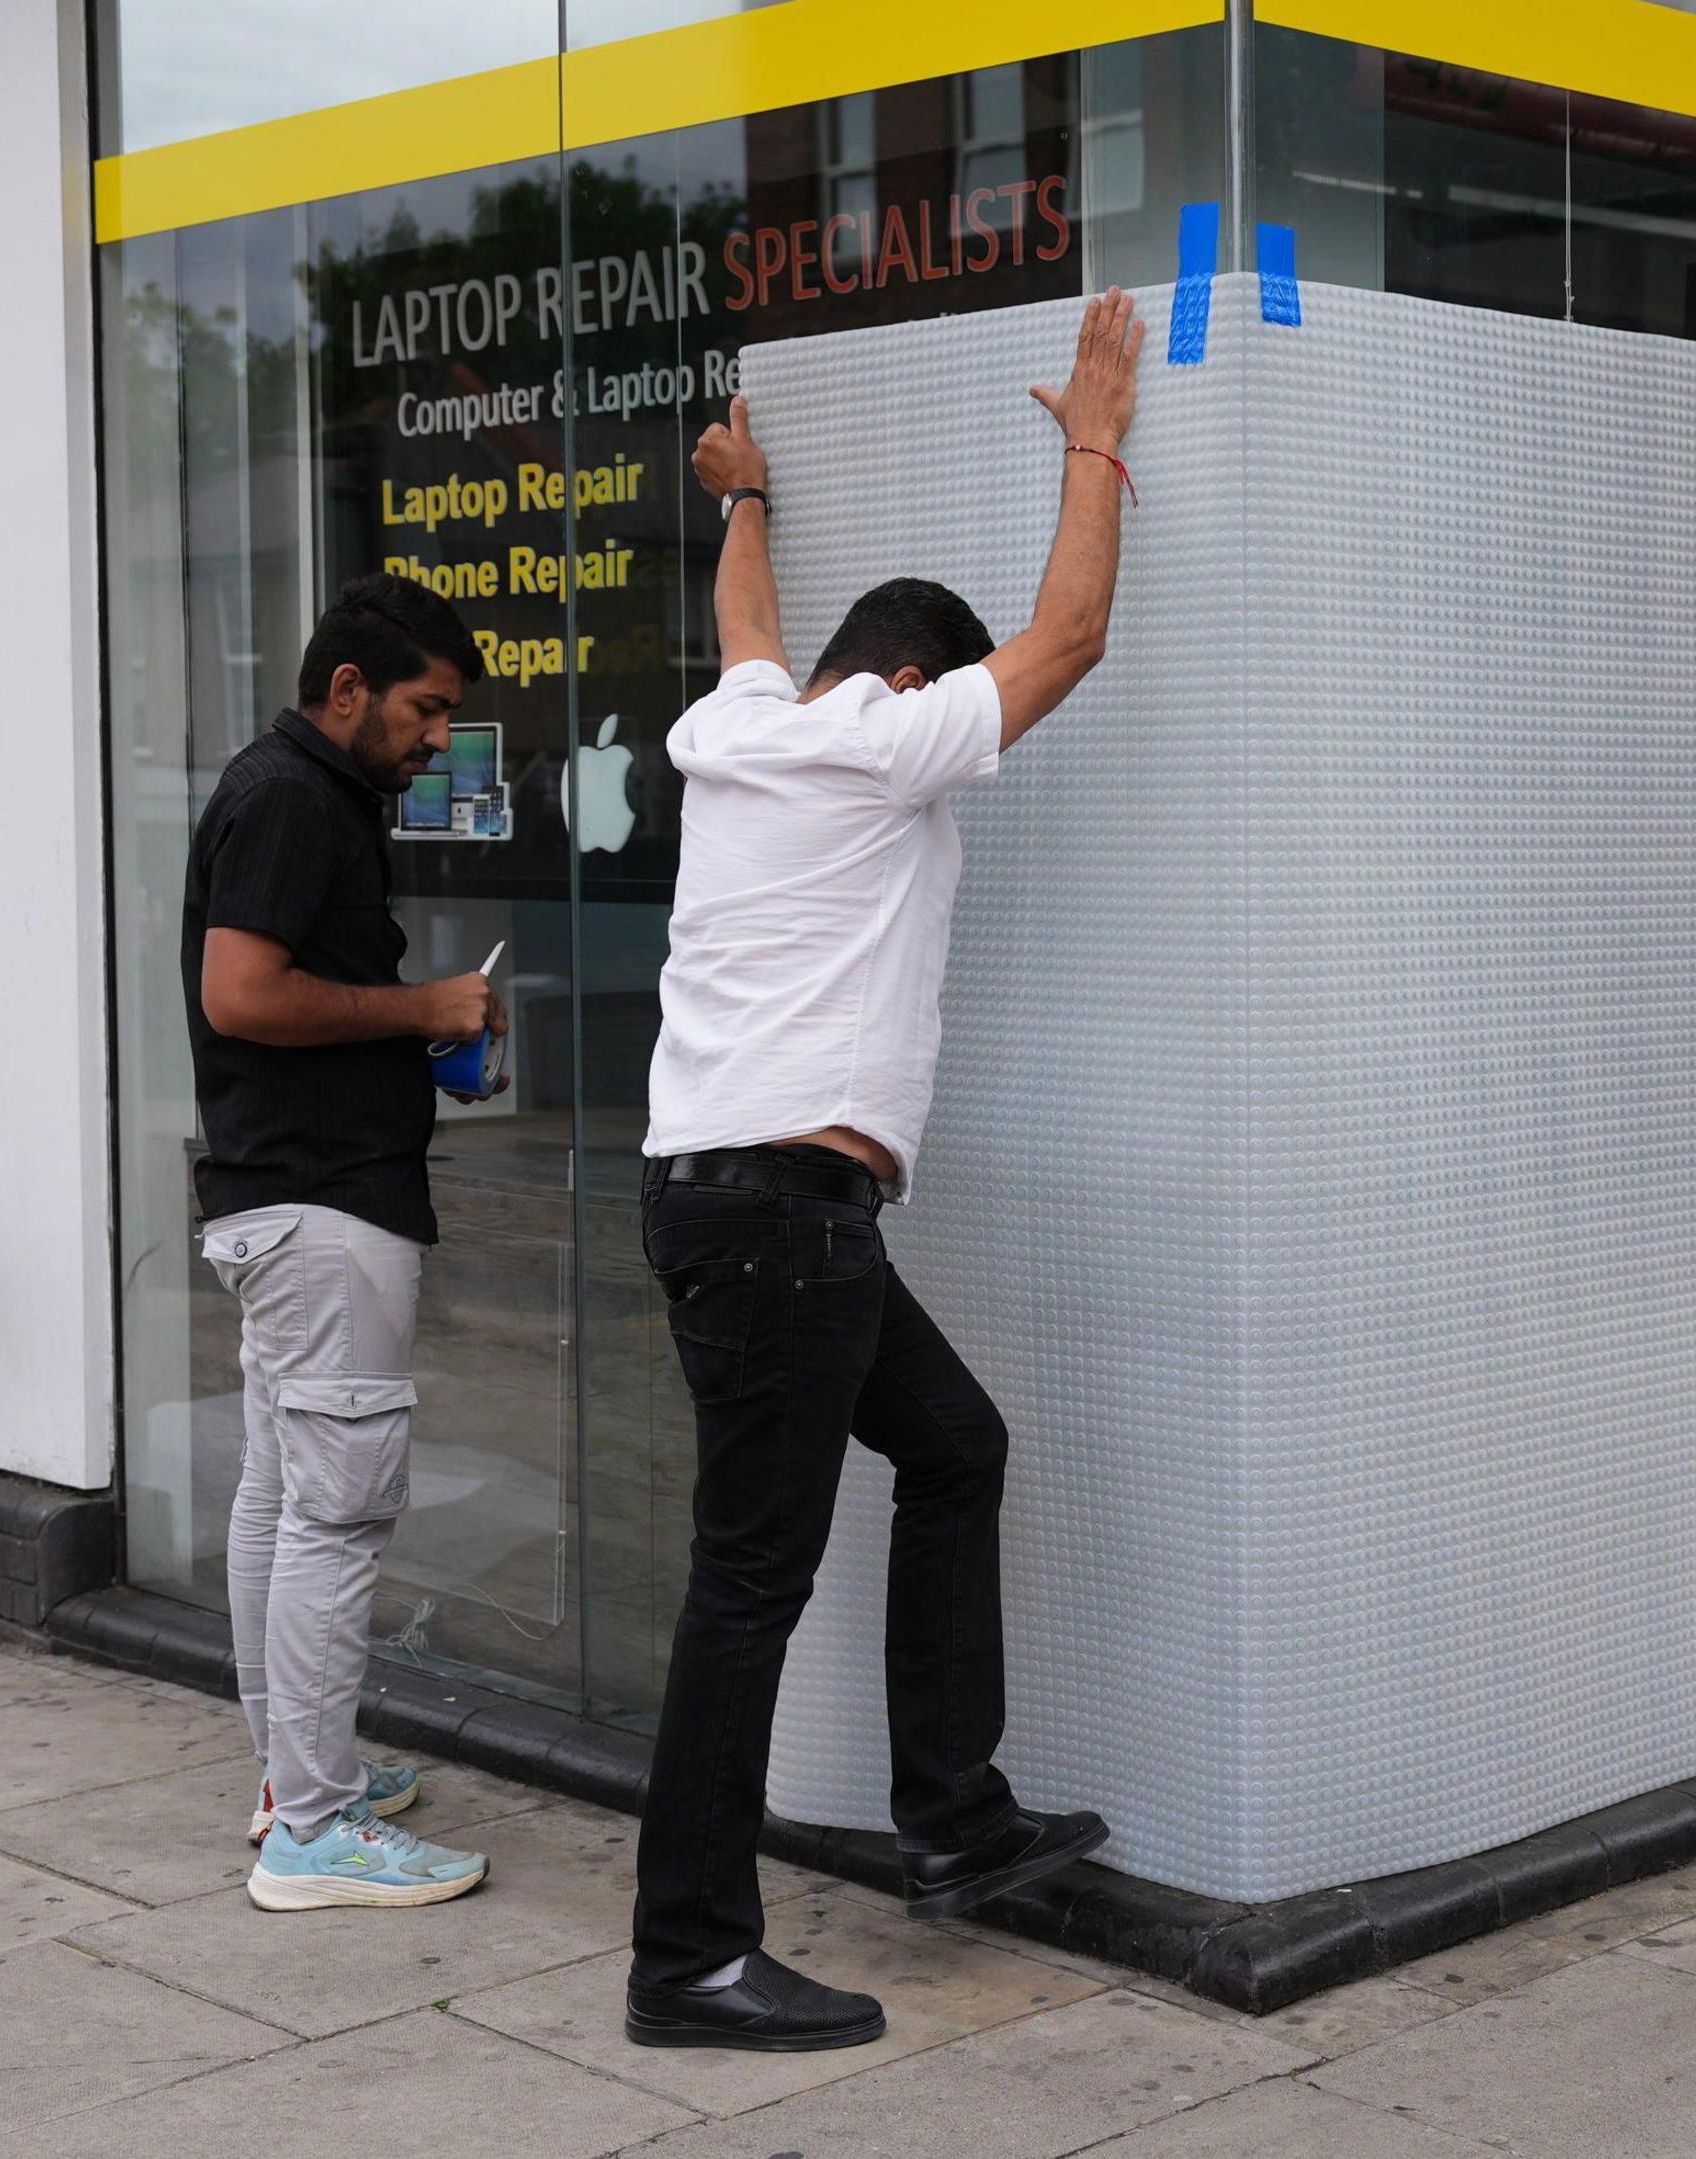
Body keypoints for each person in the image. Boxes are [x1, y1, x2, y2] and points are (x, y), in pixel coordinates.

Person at [623, 287, 1147, 2051]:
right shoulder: (871, 746)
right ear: (914, 685)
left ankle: (950, 1814)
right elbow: (1066, 641)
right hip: (778, 1219)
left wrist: (744, 495)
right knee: (748, 1582)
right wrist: (1095, 441)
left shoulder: (745, 729)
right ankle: (686, 1953)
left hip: (748, 1211)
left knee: (954, 1446)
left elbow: (746, 627)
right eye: (951, 710)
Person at [185, 572, 508, 1912]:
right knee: (338, 1511)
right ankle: (312, 1832)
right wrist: (419, 1003)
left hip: (289, 1197)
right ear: (346, 691)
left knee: (282, 1497)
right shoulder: (292, 798)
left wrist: (412, 1036)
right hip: (326, 1209)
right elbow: (242, 992)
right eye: (426, 711)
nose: (439, 740)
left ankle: (293, 1779)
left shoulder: (299, 794)